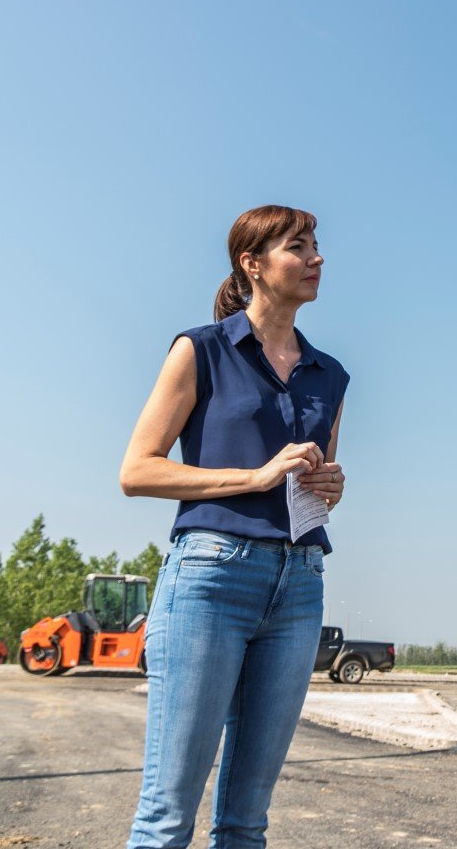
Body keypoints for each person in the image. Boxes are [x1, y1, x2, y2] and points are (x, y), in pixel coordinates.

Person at [121, 205, 350, 848]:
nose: (316, 258)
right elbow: (137, 471)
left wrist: (330, 487)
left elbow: (314, 484)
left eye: (316, 246)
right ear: (252, 264)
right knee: (167, 816)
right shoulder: (201, 349)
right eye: (298, 246)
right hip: (210, 578)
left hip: (300, 584)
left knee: (248, 820)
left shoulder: (330, 374)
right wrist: (251, 477)